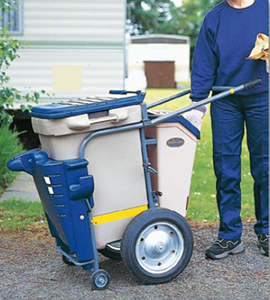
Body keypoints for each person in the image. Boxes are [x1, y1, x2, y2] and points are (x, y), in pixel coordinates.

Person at [190, 0, 269, 259]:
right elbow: (203, 62)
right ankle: (229, 235)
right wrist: (197, 105)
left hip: (263, 96)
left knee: (265, 167)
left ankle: (267, 230)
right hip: (224, 100)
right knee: (225, 168)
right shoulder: (215, 17)